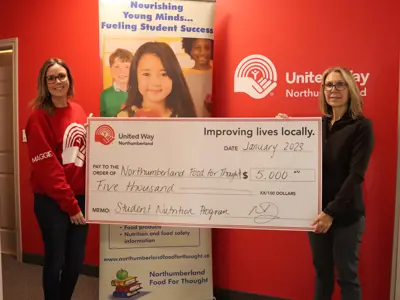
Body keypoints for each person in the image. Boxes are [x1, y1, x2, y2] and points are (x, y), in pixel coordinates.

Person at [277, 66, 374, 300]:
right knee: (322, 272)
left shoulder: (361, 126)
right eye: (329, 85)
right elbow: (300, 161)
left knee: (347, 276)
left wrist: (331, 212)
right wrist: (284, 131)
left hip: (345, 215)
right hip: (316, 212)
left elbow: (356, 175)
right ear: (323, 91)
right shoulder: (317, 126)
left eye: (340, 84)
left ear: (351, 89)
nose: (334, 90)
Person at [25, 58, 90, 300]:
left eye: (61, 76)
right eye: (50, 78)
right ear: (44, 84)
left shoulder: (79, 110)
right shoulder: (38, 118)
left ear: (69, 79)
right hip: (52, 201)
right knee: (55, 260)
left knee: (75, 261)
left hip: (81, 199)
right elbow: (47, 168)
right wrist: (70, 204)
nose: (57, 82)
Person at [117, 41, 197, 118]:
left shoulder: (184, 117)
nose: (155, 83)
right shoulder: (124, 118)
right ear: (135, 77)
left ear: (174, 76)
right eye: (146, 74)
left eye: (164, 74)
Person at [182, 37, 213, 117]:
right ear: (190, 50)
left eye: (207, 48)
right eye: (197, 48)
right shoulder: (182, 76)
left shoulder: (220, 75)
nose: (202, 52)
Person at [100, 48, 133, 117]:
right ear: (111, 70)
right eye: (117, 67)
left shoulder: (140, 93)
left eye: (127, 67)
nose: (122, 71)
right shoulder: (105, 95)